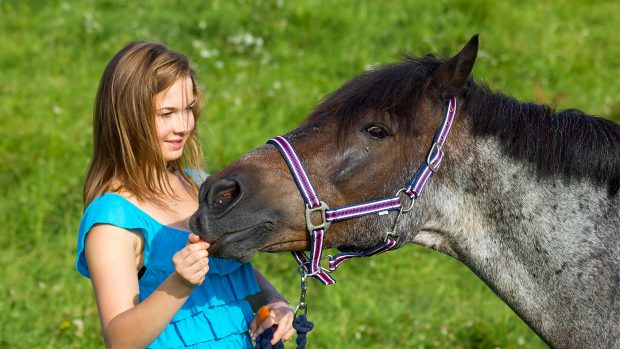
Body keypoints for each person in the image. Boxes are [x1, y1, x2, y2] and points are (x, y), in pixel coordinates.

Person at [75, 41, 294, 348]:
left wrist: (275, 302)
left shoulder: (199, 185)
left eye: (188, 109)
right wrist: (180, 283)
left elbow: (232, 273)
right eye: (166, 113)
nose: (182, 126)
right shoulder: (113, 222)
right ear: (126, 118)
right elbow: (120, 340)